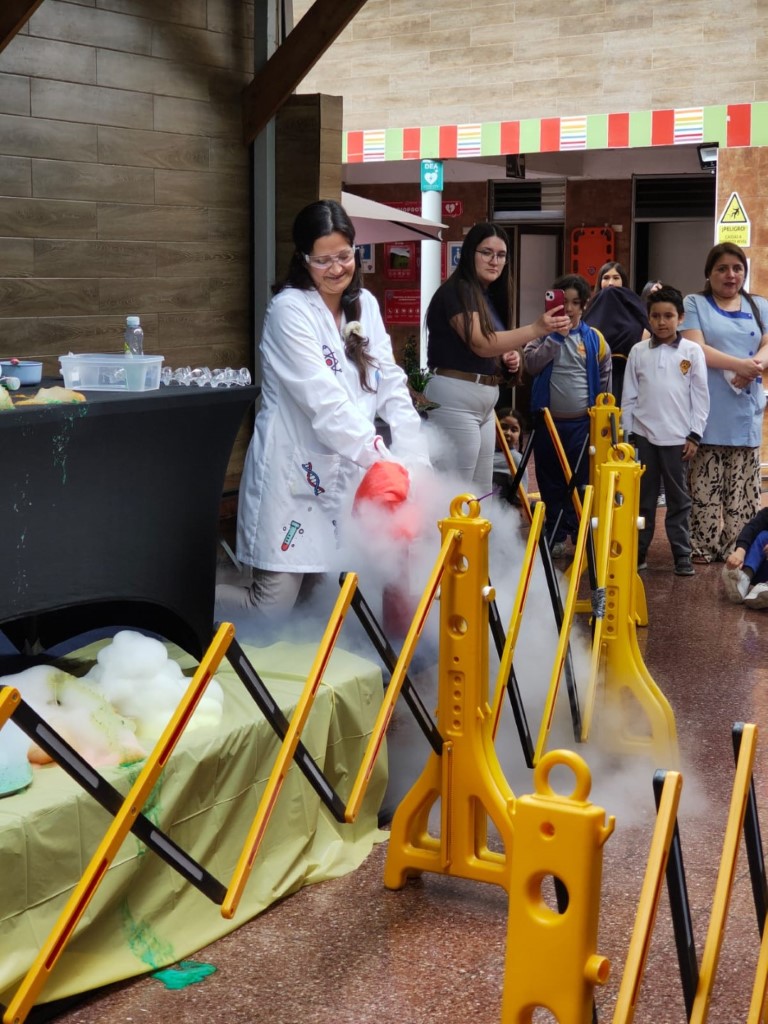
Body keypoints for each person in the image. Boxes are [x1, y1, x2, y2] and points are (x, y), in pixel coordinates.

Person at [216, 199, 430, 617]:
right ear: (303, 259)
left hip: (347, 472)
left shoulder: (364, 304)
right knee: (271, 607)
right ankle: (188, 611)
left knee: (320, 604)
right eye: (323, 260)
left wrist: (415, 458)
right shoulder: (289, 310)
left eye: (344, 256)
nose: (336, 269)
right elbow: (324, 402)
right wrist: (384, 460)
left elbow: (391, 383)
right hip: (293, 473)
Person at [423, 222, 570, 495]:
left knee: (480, 492)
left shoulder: (485, 294)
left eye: (501, 255)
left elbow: (487, 345)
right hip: (456, 396)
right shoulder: (458, 289)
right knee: (455, 492)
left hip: (483, 399)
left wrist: (507, 356)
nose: (494, 260)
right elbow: (480, 343)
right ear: (470, 253)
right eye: (486, 252)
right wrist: (536, 329)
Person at [681, 242, 768, 563]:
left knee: (742, 499)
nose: (731, 275)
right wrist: (739, 365)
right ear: (709, 273)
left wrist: (753, 366)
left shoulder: (759, 305)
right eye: (722, 269)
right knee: (703, 496)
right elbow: (695, 348)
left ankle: (738, 551)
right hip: (706, 415)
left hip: (744, 413)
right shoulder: (694, 303)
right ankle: (702, 548)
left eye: (737, 268)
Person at [622, 286, 709, 577]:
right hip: (643, 436)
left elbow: (700, 396)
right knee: (643, 499)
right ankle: (639, 551)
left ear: (680, 318)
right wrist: (628, 434)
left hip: (678, 440)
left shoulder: (692, 351)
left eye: (668, 316)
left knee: (678, 499)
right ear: (648, 318)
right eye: (656, 316)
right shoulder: (638, 351)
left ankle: (682, 554)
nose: (661, 322)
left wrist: (695, 434)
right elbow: (629, 395)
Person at [524, 273, 612, 555]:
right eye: (565, 303)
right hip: (548, 423)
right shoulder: (540, 334)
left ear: (584, 305)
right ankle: (556, 532)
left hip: (582, 425)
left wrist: (603, 416)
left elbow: (605, 379)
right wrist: (555, 338)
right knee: (550, 479)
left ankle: (579, 531)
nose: (570, 309)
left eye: (576, 303)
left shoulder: (595, 339)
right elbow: (531, 364)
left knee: (581, 480)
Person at [583, 282, 650, 407]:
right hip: (600, 376)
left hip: (626, 375)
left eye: (615, 277)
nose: (611, 282)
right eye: (606, 277)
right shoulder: (592, 320)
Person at [721, 507, 768, 608]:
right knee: (763, 536)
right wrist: (740, 551)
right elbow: (751, 527)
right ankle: (744, 579)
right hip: (761, 571)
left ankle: (763, 591)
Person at [492, 407, 529, 504]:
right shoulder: (483, 453)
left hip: (503, 508)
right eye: (503, 427)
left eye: (514, 430)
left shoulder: (517, 460)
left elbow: (521, 497)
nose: (508, 433)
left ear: (520, 434)